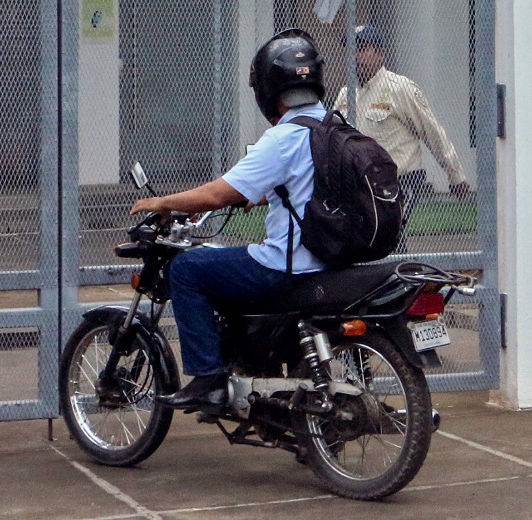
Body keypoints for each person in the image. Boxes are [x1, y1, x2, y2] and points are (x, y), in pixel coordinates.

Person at [129, 28, 328, 411]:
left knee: (188, 269)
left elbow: (219, 192)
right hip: (330, 261)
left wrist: (165, 202)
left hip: (288, 267)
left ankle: (209, 380)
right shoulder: (333, 126)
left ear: (268, 88)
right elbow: (307, 184)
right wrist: (260, 195)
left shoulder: (283, 138)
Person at [333, 25, 471, 226]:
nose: (355, 56)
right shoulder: (346, 94)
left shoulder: (400, 88)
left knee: (390, 236)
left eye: (362, 49)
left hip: (400, 181)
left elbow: (432, 132)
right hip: (361, 185)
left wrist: (455, 175)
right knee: (368, 242)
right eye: (351, 50)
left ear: (380, 54)